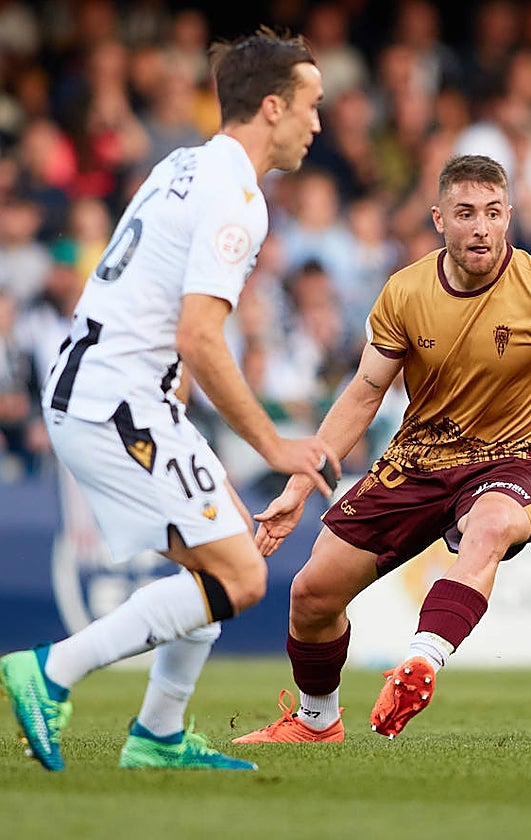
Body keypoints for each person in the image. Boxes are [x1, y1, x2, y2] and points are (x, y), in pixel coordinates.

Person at [0, 27, 340, 773]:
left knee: (222, 552)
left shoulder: (183, 165)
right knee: (241, 576)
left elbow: (162, 312)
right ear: (275, 107)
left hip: (109, 391)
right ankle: (49, 671)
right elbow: (199, 335)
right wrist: (273, 447)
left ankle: (156, 735)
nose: (320, 123)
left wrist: (184, 431)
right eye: (313, 105)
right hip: (116, 400)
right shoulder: (238, 198)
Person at [232, 154, 531, 744]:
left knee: (492, 523)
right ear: (439, 220)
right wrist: (299, 486)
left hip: (515, 459)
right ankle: (317, 721)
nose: (481, 227)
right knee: (311, 594)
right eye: (465, 213)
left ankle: (420, 663)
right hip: (419, 460)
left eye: (493, 213)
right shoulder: (405, 292)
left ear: (510, 217)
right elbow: (364, 393)